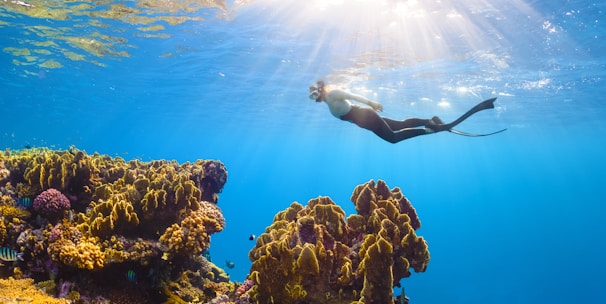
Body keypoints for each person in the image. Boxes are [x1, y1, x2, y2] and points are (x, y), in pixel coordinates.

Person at [309, 80, 503, 143]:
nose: (314, 98)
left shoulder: (333, 93)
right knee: (399, 125)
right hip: (364, 120)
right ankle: (430, 120)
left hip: (366, 115)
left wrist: (373, 103)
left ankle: (429, 129)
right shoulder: (328, 101)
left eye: (314, 94)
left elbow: (353, 96)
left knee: (393, 138)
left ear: (320, 91)